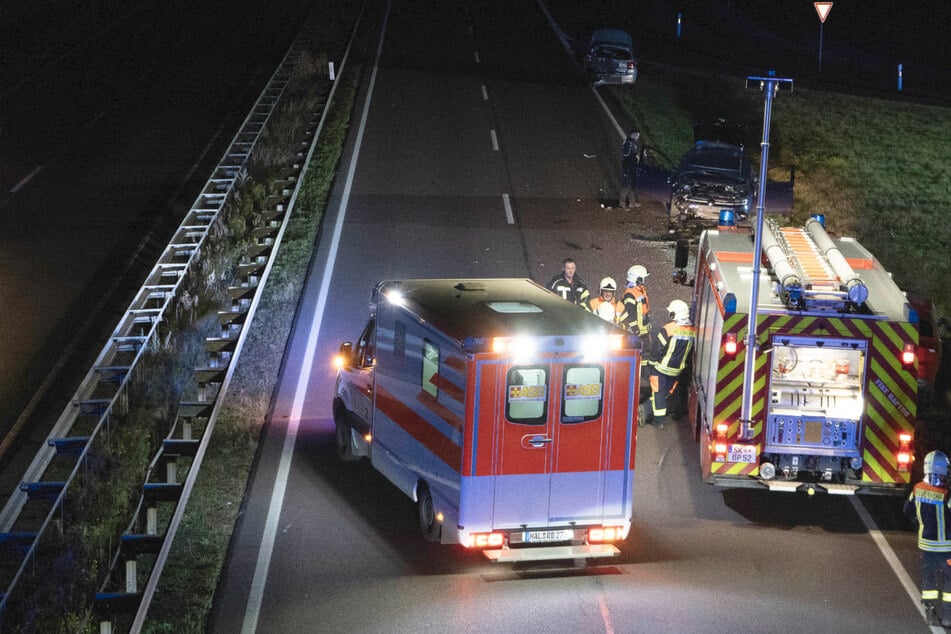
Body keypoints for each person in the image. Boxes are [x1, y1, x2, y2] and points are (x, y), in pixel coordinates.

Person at [904, 450, 951, 627]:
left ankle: (930, 614)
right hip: (946, 547)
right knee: (949, 580)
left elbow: (907, 511)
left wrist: (918, 519)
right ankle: (948, 616)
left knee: (928, 579)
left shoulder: (917, 489)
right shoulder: (946, 493)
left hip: (926, 546)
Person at [641, 299, 695, 429]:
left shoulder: (668, 329)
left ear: (674, 314)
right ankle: (646, 408)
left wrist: (651, 365)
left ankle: (658, 420)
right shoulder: (692, 330)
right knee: (664, 393)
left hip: (661, 369)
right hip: (676, 371)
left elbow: (657, 349)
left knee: (658, 393)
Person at [620, 264, 651, 342]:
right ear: (639, 280)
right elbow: (630, 313)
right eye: (643, 279)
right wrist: (636, 330)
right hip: (636, 335)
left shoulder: (639, 291)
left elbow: (643, 311)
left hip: (643, 333)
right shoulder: (630, 294)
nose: (644, 281)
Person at [619, 129, 645, 209]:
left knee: (632, 184)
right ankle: (622, 202)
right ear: (633, 135)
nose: (638, 137)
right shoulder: (628, 143)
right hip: (628, 166)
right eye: (637, 135)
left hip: (632, 166)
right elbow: (626, 154)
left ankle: (632, 202)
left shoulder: (632, 143)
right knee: (627, 184)